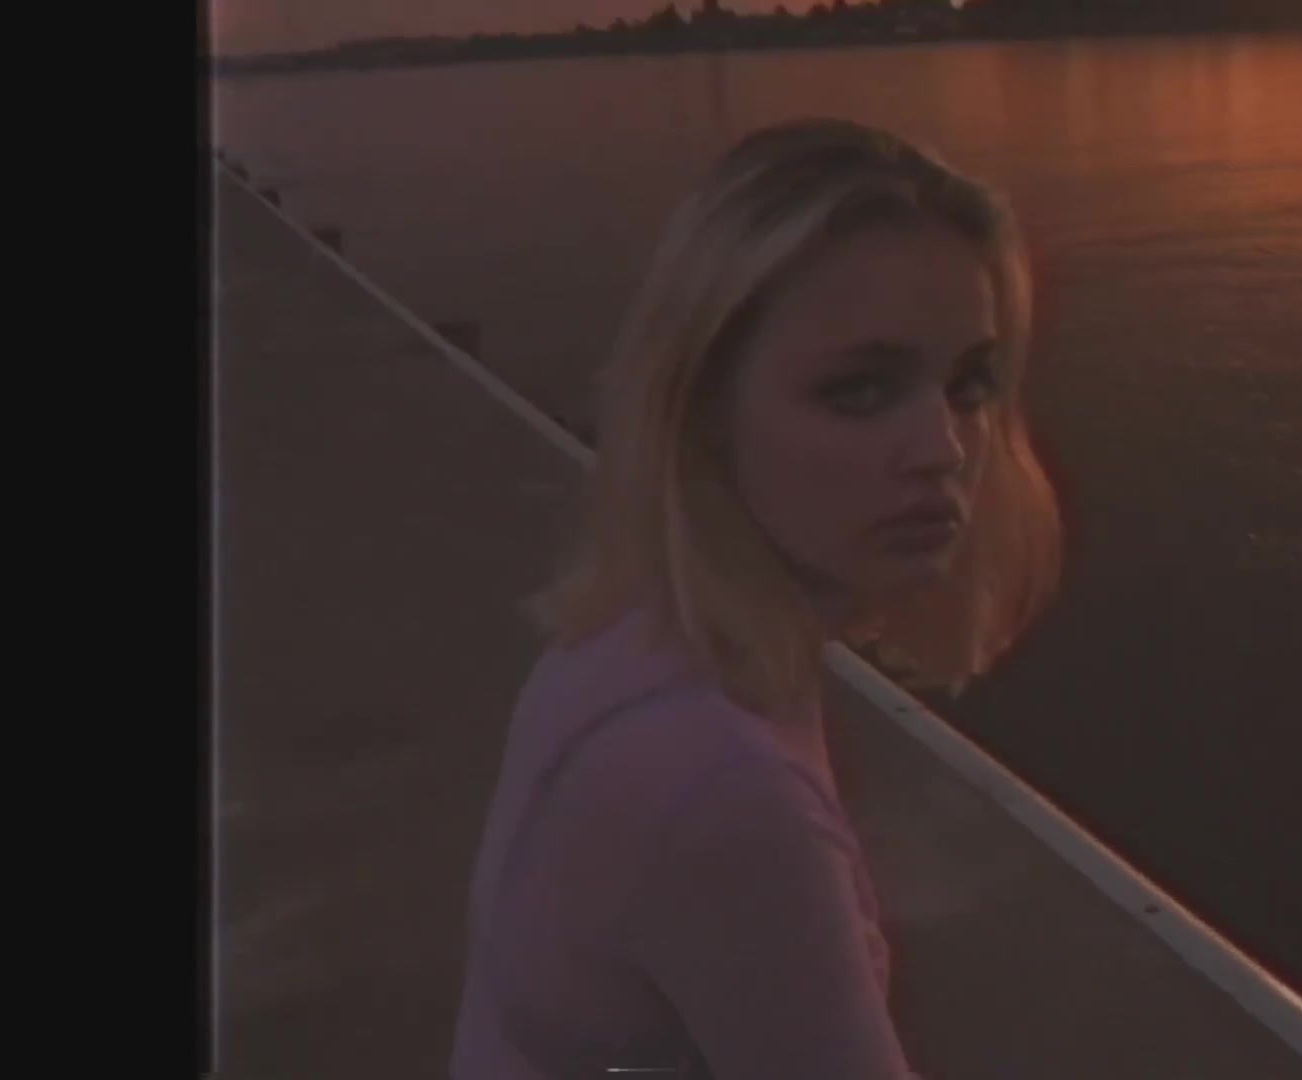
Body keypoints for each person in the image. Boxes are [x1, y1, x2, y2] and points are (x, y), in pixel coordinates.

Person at [451, 117, 1065, 1079]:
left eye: (969, 384)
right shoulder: (721, 785)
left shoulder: (636, 634)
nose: (944, 448)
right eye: (859, 391)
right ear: (702, 411)